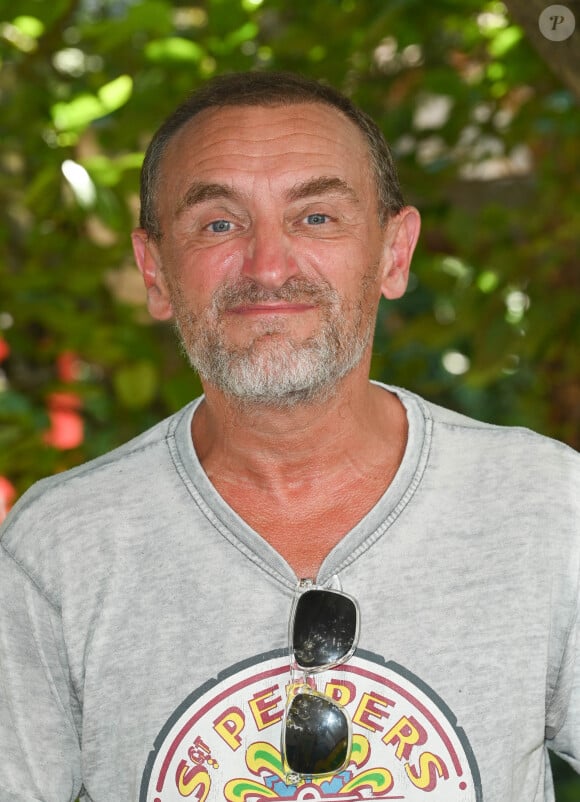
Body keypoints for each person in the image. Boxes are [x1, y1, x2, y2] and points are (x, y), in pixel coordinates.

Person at [0, 71, 578, 802]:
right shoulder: (59, 550)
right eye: (218, 224)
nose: (268, 267)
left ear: (393, 254)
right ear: (155, 272)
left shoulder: (547, 505)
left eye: (316, 218)